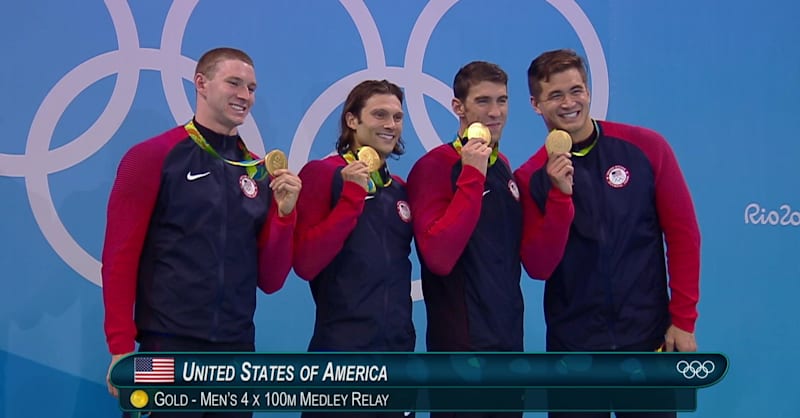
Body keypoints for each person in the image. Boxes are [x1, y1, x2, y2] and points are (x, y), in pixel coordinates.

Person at [101, 47, 301, 417]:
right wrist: (121, 346)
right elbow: (119, 258)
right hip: (165, 348)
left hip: (238, 355)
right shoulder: (152, 157)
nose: (246, 95)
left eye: (252, 88)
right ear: (201, 84)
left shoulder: (258, 171)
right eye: (234, 83)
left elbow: (271, 280)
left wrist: (285, 217)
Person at [518, 48, 701, 418]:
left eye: (576, 90)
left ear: (588, 91)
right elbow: (538, 266)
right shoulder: (529, 177)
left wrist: (683, 320)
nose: (569, 103)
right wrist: (559, 196)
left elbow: (683, 235)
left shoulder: (647, 148)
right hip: (574, 351)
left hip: (648, 341)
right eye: (555, 95)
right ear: (536, 104)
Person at [406, 61, 523, 418]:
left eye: (502, 100)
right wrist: (472, 174)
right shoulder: (434, 167)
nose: (494, 112)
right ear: (459, 107)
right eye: (483, 101)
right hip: (460, 346)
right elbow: (439, 256)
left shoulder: (502, 164)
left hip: (508, 343)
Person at [292, 79, 415, 418]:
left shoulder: (399, 190)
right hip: (340, 359)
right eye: (379, 114)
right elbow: (305, 262)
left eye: (397, 117)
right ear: (352, 120)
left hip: (397, 360)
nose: (390, 125)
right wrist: (351, 198)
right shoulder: (322, 174)